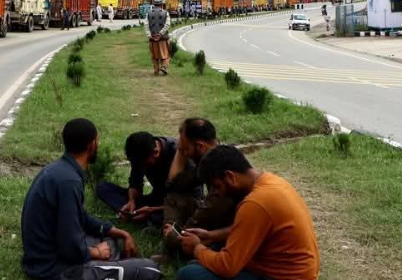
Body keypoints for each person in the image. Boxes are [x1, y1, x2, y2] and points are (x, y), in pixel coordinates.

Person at [21, 119, 162, 280]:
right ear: (91, 145)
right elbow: (70, 246)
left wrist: (122, 233)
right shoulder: (69, 181)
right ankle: (110, 264)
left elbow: (81, 217)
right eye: (97, 140)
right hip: (54, 269)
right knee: (149, 269)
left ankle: (110, 263)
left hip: (51, 253)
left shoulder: (60, 169)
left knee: (110, 239)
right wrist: (95, 252)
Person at [177, 146, 320, 280]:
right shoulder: (272, 181)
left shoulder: (255, 203)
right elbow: (248, 229)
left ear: (230, 176)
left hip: (283, 277)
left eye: (217, 187)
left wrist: (197, 248)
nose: (218, 193)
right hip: (292, 270)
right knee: (213, 250)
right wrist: (212, 236)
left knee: (188, 274)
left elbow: (227, 267)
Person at [161, 119, 236, 251]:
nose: (185, 154)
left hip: (226, 226)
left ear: (200, 146)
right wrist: (181, 149)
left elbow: (208, 211)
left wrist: (178, 234)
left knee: (180, 243)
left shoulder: (221, 167)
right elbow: (174, 184)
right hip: (212, 214)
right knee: (173, 199)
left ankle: (174, 242)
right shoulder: (208, 158)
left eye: (186, 149)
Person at [96, 132, 178, 226]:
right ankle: (136, 213)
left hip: (177, 204)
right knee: (103, 187)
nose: (142, 167)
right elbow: (135, 182)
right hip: (156, 198)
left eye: (145, 164)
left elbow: (188, 201)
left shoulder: (178, 153)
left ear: (155, 153)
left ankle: (149, 218)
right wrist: (132, 201)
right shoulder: (141, 154)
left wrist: (153, 210)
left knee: (164, 217)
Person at [146, 0, 171, 76]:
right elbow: (167, 25)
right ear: (161, 4)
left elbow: (146, 25)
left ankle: (156, 70)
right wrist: (160, 34)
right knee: (166, 54)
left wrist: (149, 35)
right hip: (163, 38)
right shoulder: (165, 13)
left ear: (154, 5)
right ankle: (163, 67)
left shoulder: (148, 13)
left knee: (154, 56)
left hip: (153, 39)